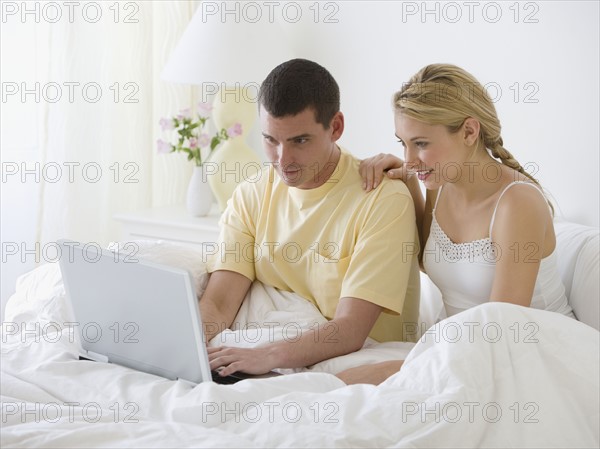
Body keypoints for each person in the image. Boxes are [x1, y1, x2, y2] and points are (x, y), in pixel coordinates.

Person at [337, 63, 574, 385]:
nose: (409, 158)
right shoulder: (442, 183)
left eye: (420, 144)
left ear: (469, 132)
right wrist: (406, 183)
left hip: (529, 356)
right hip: (459, 351)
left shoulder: (517, 203)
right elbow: (427, 260)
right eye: (402, 143)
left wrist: (397, 369)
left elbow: (499, 328)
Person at [200, 58, 421, 377]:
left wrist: (267, 355)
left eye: (299, 141)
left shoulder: (382, 199)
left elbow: (350, 329)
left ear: (336, 127)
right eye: (270, 140)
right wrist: (187, 350)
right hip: (262, 356)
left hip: (360, 363)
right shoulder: (251, 194)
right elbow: (219, 305)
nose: (282, 160)